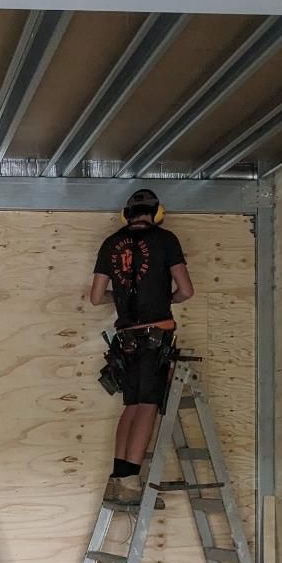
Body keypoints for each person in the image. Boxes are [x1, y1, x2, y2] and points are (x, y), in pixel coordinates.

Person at [90, 189, 194, 502]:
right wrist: (167, 298)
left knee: (132, 406)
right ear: (157, 213)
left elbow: (96, 297)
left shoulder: (111, 243)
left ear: (126, 214)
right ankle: (130, 480)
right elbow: (186, 291)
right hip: (155, 334)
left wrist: (120, 297)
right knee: (148, 405)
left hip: (125, 340)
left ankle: (117, 478)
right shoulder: (166, 240)